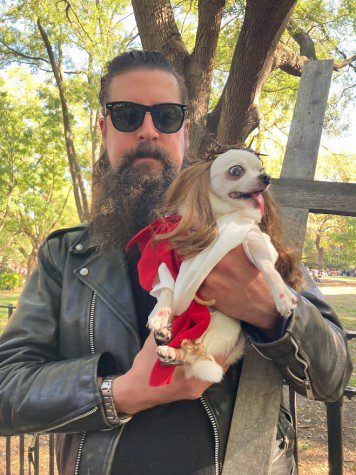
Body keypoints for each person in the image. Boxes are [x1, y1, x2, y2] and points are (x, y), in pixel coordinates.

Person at [0, 50, 352, 475]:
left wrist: (263, 308)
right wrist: (125, 392)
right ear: (103, 128)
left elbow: (333, 375)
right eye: (126, 114)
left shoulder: (253, 230)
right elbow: (7, 392)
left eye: (166, 116)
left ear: (185, 131)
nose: (148, 131)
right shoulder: (63, 257)